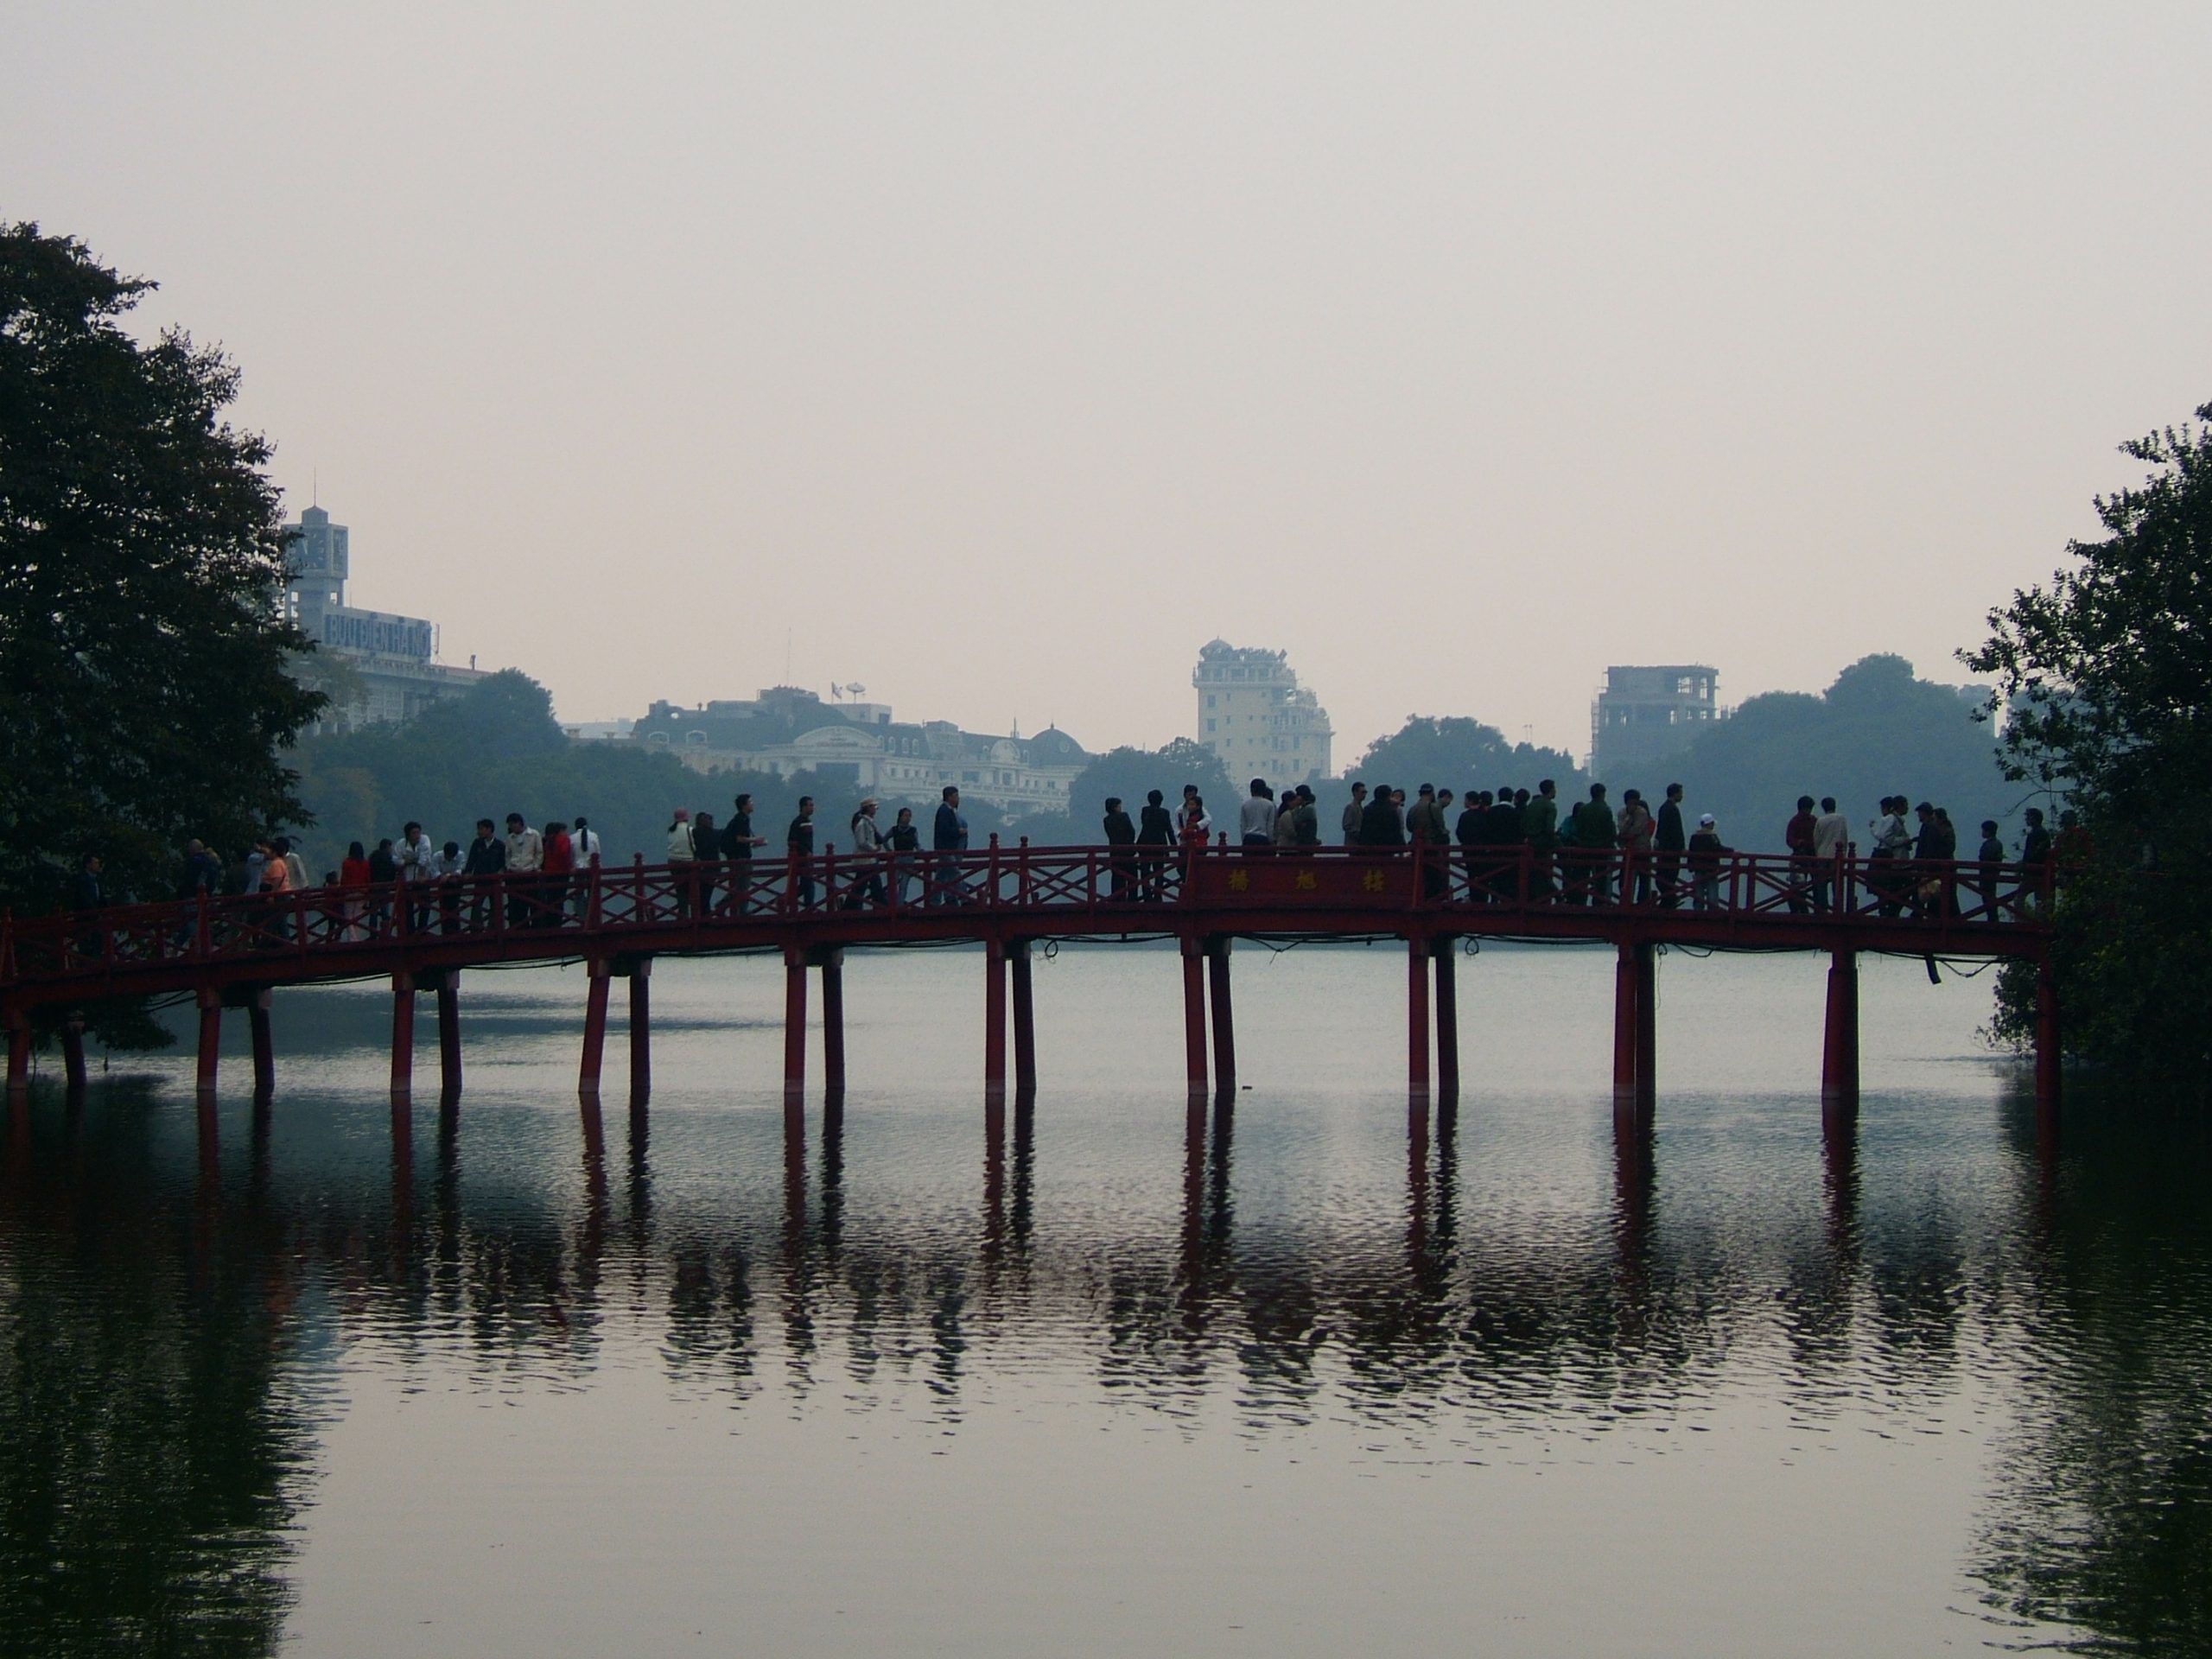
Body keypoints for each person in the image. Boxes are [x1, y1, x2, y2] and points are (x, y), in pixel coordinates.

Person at [720, 793, 766, 914]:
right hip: (740, 858)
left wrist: (754, 842)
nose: (753, 804)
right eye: (750, 802)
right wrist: (755, 840)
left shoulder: (741, 818)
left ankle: (738, 909)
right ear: (744, 805)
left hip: (738, 855)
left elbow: (741, 840)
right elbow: (739, 839)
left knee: (743, 885)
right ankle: (729, 907)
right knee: (743, 886)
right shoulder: (742, 819)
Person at [464, 818, 505, 930]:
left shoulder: (500, 845)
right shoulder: (477, 843)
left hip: (494, 880)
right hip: (480, 878)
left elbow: (503, 862)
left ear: (489, 829)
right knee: (477, 904)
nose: (479, 832)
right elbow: (471, 859)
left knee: (495, 904)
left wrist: (501, 872)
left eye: (481, 829)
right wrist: (468, 871)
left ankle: (494, 927)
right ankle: (476, 928)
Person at [845, 799, 886, 908]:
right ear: (868, 808)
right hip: (865, 859)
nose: (875, 810)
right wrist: (874, 849)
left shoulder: (867, 822)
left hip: (868, 860)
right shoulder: (862, 823)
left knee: (860, 886)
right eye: (873, 807)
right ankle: (881, 904)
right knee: (869, 884)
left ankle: (850, 907)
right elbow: (861, 841)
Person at [505, 812, 544, 928]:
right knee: (516, 903)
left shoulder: (534, 835)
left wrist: (536, 866)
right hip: (514, 872)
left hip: (529, 871)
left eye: (512, 824)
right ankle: (519, 926)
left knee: (532, 901)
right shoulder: (510, 838)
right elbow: (507, 854)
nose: (511, 827)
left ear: (519, 823)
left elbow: (539, 852)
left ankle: (535, 926)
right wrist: (509, 866)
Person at [932, 786, 969, 905]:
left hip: (946, 847)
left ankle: (939, 900)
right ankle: (964, 898)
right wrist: (958, 831)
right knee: (955, 873)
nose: (958, 799)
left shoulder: (948, 810)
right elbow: (943, 830)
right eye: (956, 796)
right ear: (949, 797)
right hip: (945, 848)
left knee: (942, 875)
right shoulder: (944, 811)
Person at [1811, 796, 1849, 912]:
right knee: (1836, 882)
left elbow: (1816, 839)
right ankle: (1837, 907)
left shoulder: (1820, 820)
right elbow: (1844, 837)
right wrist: (1845, 853)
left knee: (1822, 883)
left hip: (1822, 854)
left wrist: (1818, 853)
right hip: (1836, 855)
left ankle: (1822, 907)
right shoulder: (1841, 819)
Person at [1618, 788, 1655, 905]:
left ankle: (1643, 902)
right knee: (1624, 878)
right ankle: (1626, 900)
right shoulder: (1622, 813)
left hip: (1642, 849)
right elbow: (1621, 828)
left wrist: (1625, 833)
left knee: (1644, 878)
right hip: (1628, 850)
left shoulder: (1643, 813)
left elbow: (1636, 830)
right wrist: (1629, 818)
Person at [1137, 788, 1174, 900]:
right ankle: (1158, 895)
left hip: (1144, 844)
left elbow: (1144, 823)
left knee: (1145, 871)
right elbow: (1169, 830)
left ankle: (1147, 896)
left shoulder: (1145, 811)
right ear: (1161, 800)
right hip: (1160, 844)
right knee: (1159, 871)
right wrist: (1174, 846)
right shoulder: (1165, 813)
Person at [1525, 779, 1560, 900]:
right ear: (1551, 790)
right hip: (1543, 845)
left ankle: (1535, 898)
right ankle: (1556, 896)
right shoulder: (1549, 806)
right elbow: (1549, 828)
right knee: (1545, 873)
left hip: (1530, 844)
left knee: (1534, 874)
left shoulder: (1532, 805)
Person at [1784, 795, 1819, 914]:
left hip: (1805, 856)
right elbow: (1790, 840)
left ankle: (1803, 909)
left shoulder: (1799, 821)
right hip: (1805, 857)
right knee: (1802, 885)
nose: (1809, 811)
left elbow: (1789, 840)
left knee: (1802, 885)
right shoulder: (1809, 821)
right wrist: (1799, 843)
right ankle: (1804, 909)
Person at [1655, 784, 1687, 910]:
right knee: (1670, 876)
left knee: (1664, 876)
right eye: (1680, 793)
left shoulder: (1664, 807)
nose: (1682, 796)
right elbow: (1676, 831)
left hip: (1664, 849)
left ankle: (1667, 900)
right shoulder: (1672, 809)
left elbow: (1661, 829)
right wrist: (1681, 847)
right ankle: (1669, 900)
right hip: (1671, 850)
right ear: (1675, 793)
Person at [1688, 813, 1728, 911]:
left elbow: (1691, 851)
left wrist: (1690, 866)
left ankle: (1698, 910)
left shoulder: (1695, 836)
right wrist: (1731, 850)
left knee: (1699, 891)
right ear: (1709, 824)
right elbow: (1718, 848)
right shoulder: (1711, 836)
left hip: (1698, 868)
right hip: (1711, 869)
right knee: (1712, 892)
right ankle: (1713, 910)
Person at [569, 815, 603, 923]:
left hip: (578, 869)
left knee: (579, 894)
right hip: (592, 869)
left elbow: (571, 856)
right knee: (593, 893)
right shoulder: (594, 836)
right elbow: (598, 853)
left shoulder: (572, 838)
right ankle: (594, 917)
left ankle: (583, 918)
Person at [2019, 807, 2054, 912]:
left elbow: (2034, 854)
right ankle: (2038, 920)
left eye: (2028, 817)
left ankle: (2023, 920)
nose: (2026, 820)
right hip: (2037, 872)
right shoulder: (2040, 833)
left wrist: (2024, 865)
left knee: (2020, 898)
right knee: (2039, 899)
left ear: (2033, 818)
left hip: (2035, 872)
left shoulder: (2038, 833)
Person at [1103, 796, 1138, 899]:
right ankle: (1132, 899)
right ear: (1115, 807)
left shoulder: (1106, 820)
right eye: (1119, 806)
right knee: (1132, 877)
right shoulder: (1124, 816)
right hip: (1128, 851)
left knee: (1117, 877)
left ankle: (1117, 898)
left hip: (1115, 852)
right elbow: (1132, 831)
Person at [540, 820, 575, 925]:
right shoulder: (563, 839)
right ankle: (557, 922)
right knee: (560, 898)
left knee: (550, 899)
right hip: (561, 873)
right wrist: (569, 867)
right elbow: (564, 853)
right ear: (560, 831)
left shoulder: (548, 841)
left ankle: (549, 922)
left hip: (548, 873)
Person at [787, 797, 817, 908]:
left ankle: (787, 900)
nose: (812, 807)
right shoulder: (798, 822)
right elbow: (792, 841)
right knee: (808, 884)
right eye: (810, 805)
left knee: (808, 884)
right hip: (801, 859)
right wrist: (805, 852)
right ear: (803, 807)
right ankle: (808, 908)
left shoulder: (808, 822)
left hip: (807, 858)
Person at [887, 805, 921, 903]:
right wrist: (889, 850)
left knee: (904, 884)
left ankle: (900, 905)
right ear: (900, 817)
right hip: (897, 859)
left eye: (909, 816)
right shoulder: (894, 830)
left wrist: (919, 850)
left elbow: (916, 843)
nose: (908, 818)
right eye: (906, 815)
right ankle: (893, 903)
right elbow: (884, 840)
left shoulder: (913, 830)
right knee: (893, 883)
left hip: (909, 859)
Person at [338, 840, 372, 940]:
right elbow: (368, 878)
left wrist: (342, 891)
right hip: (362, 892)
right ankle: (355, 937)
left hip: (349, 892)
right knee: (357, 917)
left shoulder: (347, 863)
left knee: (349, 917)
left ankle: (352, 939)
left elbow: (344, 878)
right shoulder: (365, 863)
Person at [365, 836, 397, 934]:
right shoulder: (388, 858)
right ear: (387, 847)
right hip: (385, 886)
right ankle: (386, 933)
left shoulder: (372, 857)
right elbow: (392, 870)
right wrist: (391, 881)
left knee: (373, 912)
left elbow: (368, 870)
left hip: (373, 886)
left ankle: (373, 933)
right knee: (385, 911)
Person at [691, 810, 720, 917]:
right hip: (713, 869)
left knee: (701, 895)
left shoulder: (693, 833)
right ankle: (705, 916)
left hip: (699, 868)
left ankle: (702, 916)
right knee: (705, 894)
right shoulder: (715, 834)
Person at [435, 838, 467, 933]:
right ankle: (446, 930)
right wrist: (443, 877)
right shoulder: (437, 856)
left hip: (456, 883)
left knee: (455, 906)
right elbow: (434, 871)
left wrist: (448, 875)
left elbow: (461, 869)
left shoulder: (460, 855)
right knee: (444, 907)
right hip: (442, 884)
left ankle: (456, 929)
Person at [1976, 818, 2005, 920]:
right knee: (1990, 897)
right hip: (1992, 875)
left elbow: (1985, 858)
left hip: (1987, 875)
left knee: (1988, 898)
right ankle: (1992, 918)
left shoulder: (1990, 844)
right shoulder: (1998, 844)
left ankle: (1992, 919)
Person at [1359, 782, 1403, 848]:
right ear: (1388, 796)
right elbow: (1396, 831)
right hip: (1388, 848)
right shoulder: (1391, 811)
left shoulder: (1368, 809)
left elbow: (1364, 831)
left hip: (1370, 847)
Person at [1239, 779, 1275, 848]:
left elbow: (1243, 825)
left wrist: (1243, 840)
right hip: (1263, 838)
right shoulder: (1269, 805)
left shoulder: (1245, 804)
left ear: (1251, 790)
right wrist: (1271, 841)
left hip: (1248, 837)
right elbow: (1270, 826)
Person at [1292, 785, 1320, 849]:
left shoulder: (1309, 808)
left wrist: (1296, 806)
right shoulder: (1305, 807)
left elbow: (1296, 820)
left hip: (1306, 842)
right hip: (1304, 842)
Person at [1342, 781, 1367, 848]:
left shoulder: (1361, 808)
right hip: (1353, 844)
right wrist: (1359, 834)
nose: (1364, 795)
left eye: (1365, 792)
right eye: (1362, 792)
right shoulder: (1350, 807)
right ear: (1355, 792)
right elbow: (1347, 826)